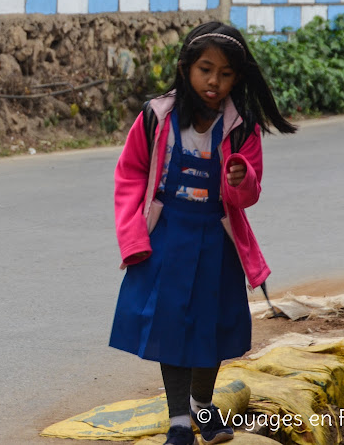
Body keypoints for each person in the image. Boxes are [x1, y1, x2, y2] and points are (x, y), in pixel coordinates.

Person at [110, 22, 296, 445]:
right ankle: (179, 422)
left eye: (226, 73)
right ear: (185, 68)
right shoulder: (156, 117)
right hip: (167, 238)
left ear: (238, 78)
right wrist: (133, 235)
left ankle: (202, 404)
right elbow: (130, 174)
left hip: (217, 239)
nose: (214, 81)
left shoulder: (242, 126)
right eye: (205, 69)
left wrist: (240, 176)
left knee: (210, 326)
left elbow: (249, 195)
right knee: (171, 326)